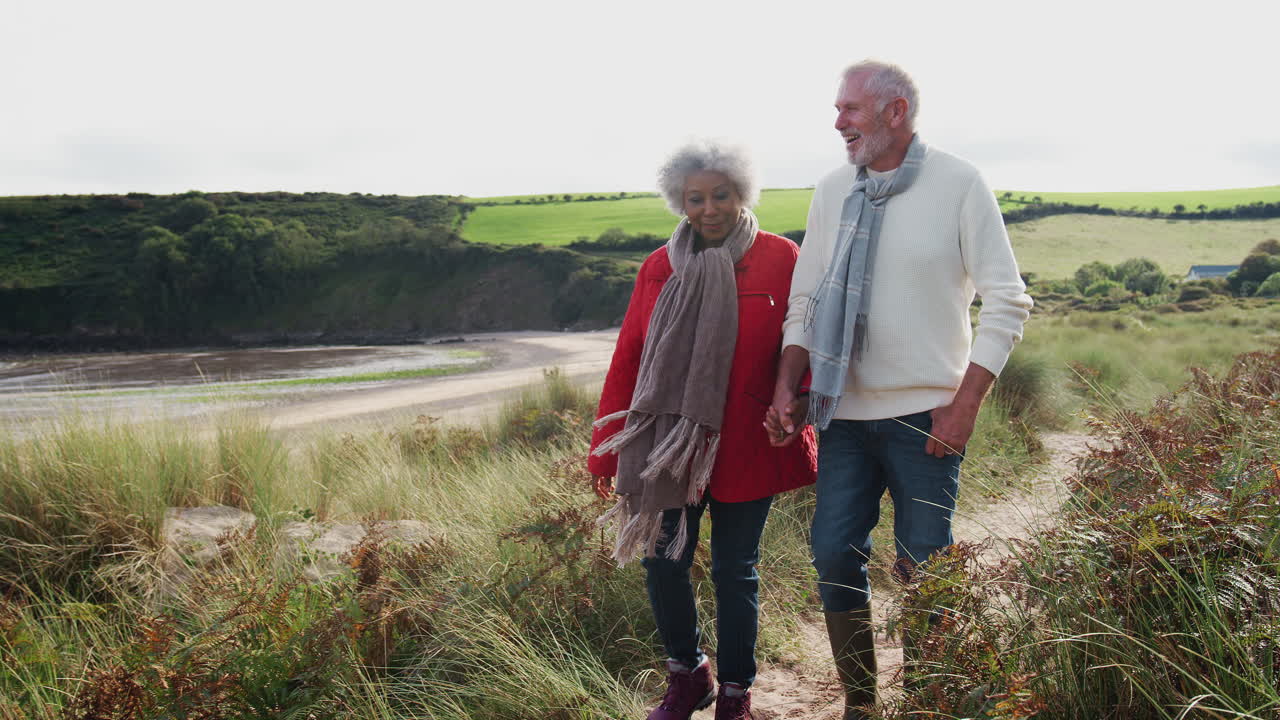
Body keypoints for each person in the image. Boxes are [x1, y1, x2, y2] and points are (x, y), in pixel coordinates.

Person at [766, 61, 1033, 719]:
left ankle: (927, 701)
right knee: (833, 553)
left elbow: (1007, 301)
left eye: (850, 108)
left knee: (925, 566)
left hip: (927, 418)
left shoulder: (959, 183)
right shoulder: (832, 190)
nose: (838, 121)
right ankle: (862, 704)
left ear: (896, 111)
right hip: (843, 414)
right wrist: (787, 386)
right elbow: (806, 298)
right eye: (838, 108)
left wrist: (965, 406)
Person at [589, 140, 817, 720]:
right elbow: (630, 356)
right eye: (696, 198)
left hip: (748, 441)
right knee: (662, 560)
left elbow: (806, 339)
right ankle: (689, 675)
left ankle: (736, 692)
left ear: (742, 193)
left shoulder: (781, 257)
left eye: (721, 195)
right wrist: (604, 452)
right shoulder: (658, 267)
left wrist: (800, 406)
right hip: (669, 444)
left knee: (734, 569)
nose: (709, 208)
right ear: (680, 201)